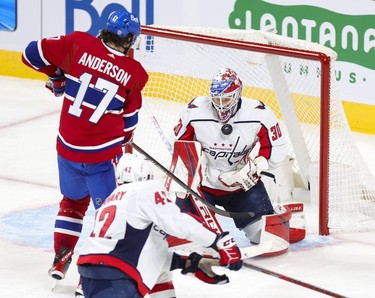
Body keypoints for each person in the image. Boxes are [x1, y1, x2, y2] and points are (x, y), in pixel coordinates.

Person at [21, 8, 148, 281]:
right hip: (101, 159)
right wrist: (121, 140)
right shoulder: (135, 73)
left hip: (67, 149)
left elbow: (30, 54)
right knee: (107, 214)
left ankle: (60, 260)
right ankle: (88, 276)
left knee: (72, 204)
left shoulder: (77, 44)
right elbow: (128, 125)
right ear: (127, 39)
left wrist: (57, 77)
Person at [77, 153, 243, 297]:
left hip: (90, 275)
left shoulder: (113, 200)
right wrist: (219, 241)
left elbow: (150, 257)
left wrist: (186, 263)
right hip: (117, 275)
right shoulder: (146, 189)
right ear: (147, 175)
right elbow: (177, 221)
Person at [173, 68, 291, 255]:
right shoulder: (195, 111)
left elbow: (277, 147)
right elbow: (180, 145)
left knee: (262, 237)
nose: (220, 105)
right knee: (187, 239)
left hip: (242, 186)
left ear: (237, 95)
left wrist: (252, 169)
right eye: (216, 99)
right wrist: (186, 174)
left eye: (226, 99)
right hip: (202, 187)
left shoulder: (258, 113)